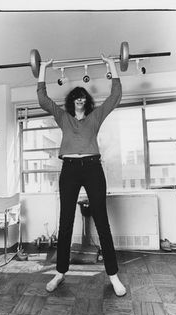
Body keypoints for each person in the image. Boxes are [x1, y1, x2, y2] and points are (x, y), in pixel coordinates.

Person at [37, 55, 126, 297]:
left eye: (83, 97)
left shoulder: (95, 117)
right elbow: (43, 99)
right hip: (70, 170)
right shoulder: (63, 118)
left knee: (102, 222)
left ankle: (113, 275)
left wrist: (111, 65)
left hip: (93, 168)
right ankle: (60, 272)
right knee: (65, 222)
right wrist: (43, 68)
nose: (79, 99)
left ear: (86, 102)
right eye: (76, 96)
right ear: (71, 101)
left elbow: (115, 97)